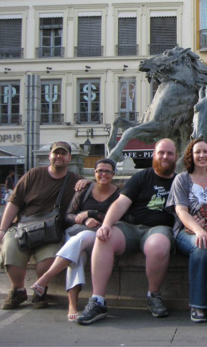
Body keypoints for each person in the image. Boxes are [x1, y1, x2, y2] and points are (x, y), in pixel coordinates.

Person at [78, 139, 179, 325]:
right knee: (103, 239)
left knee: (159, 245)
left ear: (176, 157)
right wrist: (107, 224)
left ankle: (153, 296)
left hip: (158, 229)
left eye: (169, 153)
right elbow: (121, 203)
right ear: (154, 155)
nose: (165, 157)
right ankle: (97, 300)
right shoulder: (141, 177)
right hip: (130, 228)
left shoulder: (179, 181)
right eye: (161, 153)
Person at [26, 158, 119, 321]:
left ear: (113, 174)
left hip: (98, 235)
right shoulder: (84, 189)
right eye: (100, 171)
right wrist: (82, 220)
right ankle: (73, 305)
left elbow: (120, 216)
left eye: (108, 171)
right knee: (78, 257)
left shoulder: (118, 193)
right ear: (94, 173)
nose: (103, 174)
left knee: (82, 240)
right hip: (76, 232)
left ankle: (45, 279)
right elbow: (68, 216)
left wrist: (90, 214)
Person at [0, 141, 81, 310]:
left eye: (63, 153)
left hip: (51, 232)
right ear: (49, 156)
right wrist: (2, 229)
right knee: (10, 249)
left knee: (49, 258)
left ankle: (40, 290)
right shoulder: (33, 175)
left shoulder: (75, 180)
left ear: (69, 158)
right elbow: (14, 202)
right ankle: (19, 290)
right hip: (24, 228)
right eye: (56, 153)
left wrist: (89, 184)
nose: (59, 156)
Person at [168, 138, 207, 323]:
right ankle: (198, 305)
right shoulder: (182, 179)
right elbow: (181, 211)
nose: (202, 155)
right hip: (187, 231)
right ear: (191, 155)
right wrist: (198, 230)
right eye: (198, 152)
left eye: (205, 151)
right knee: (202, 247)